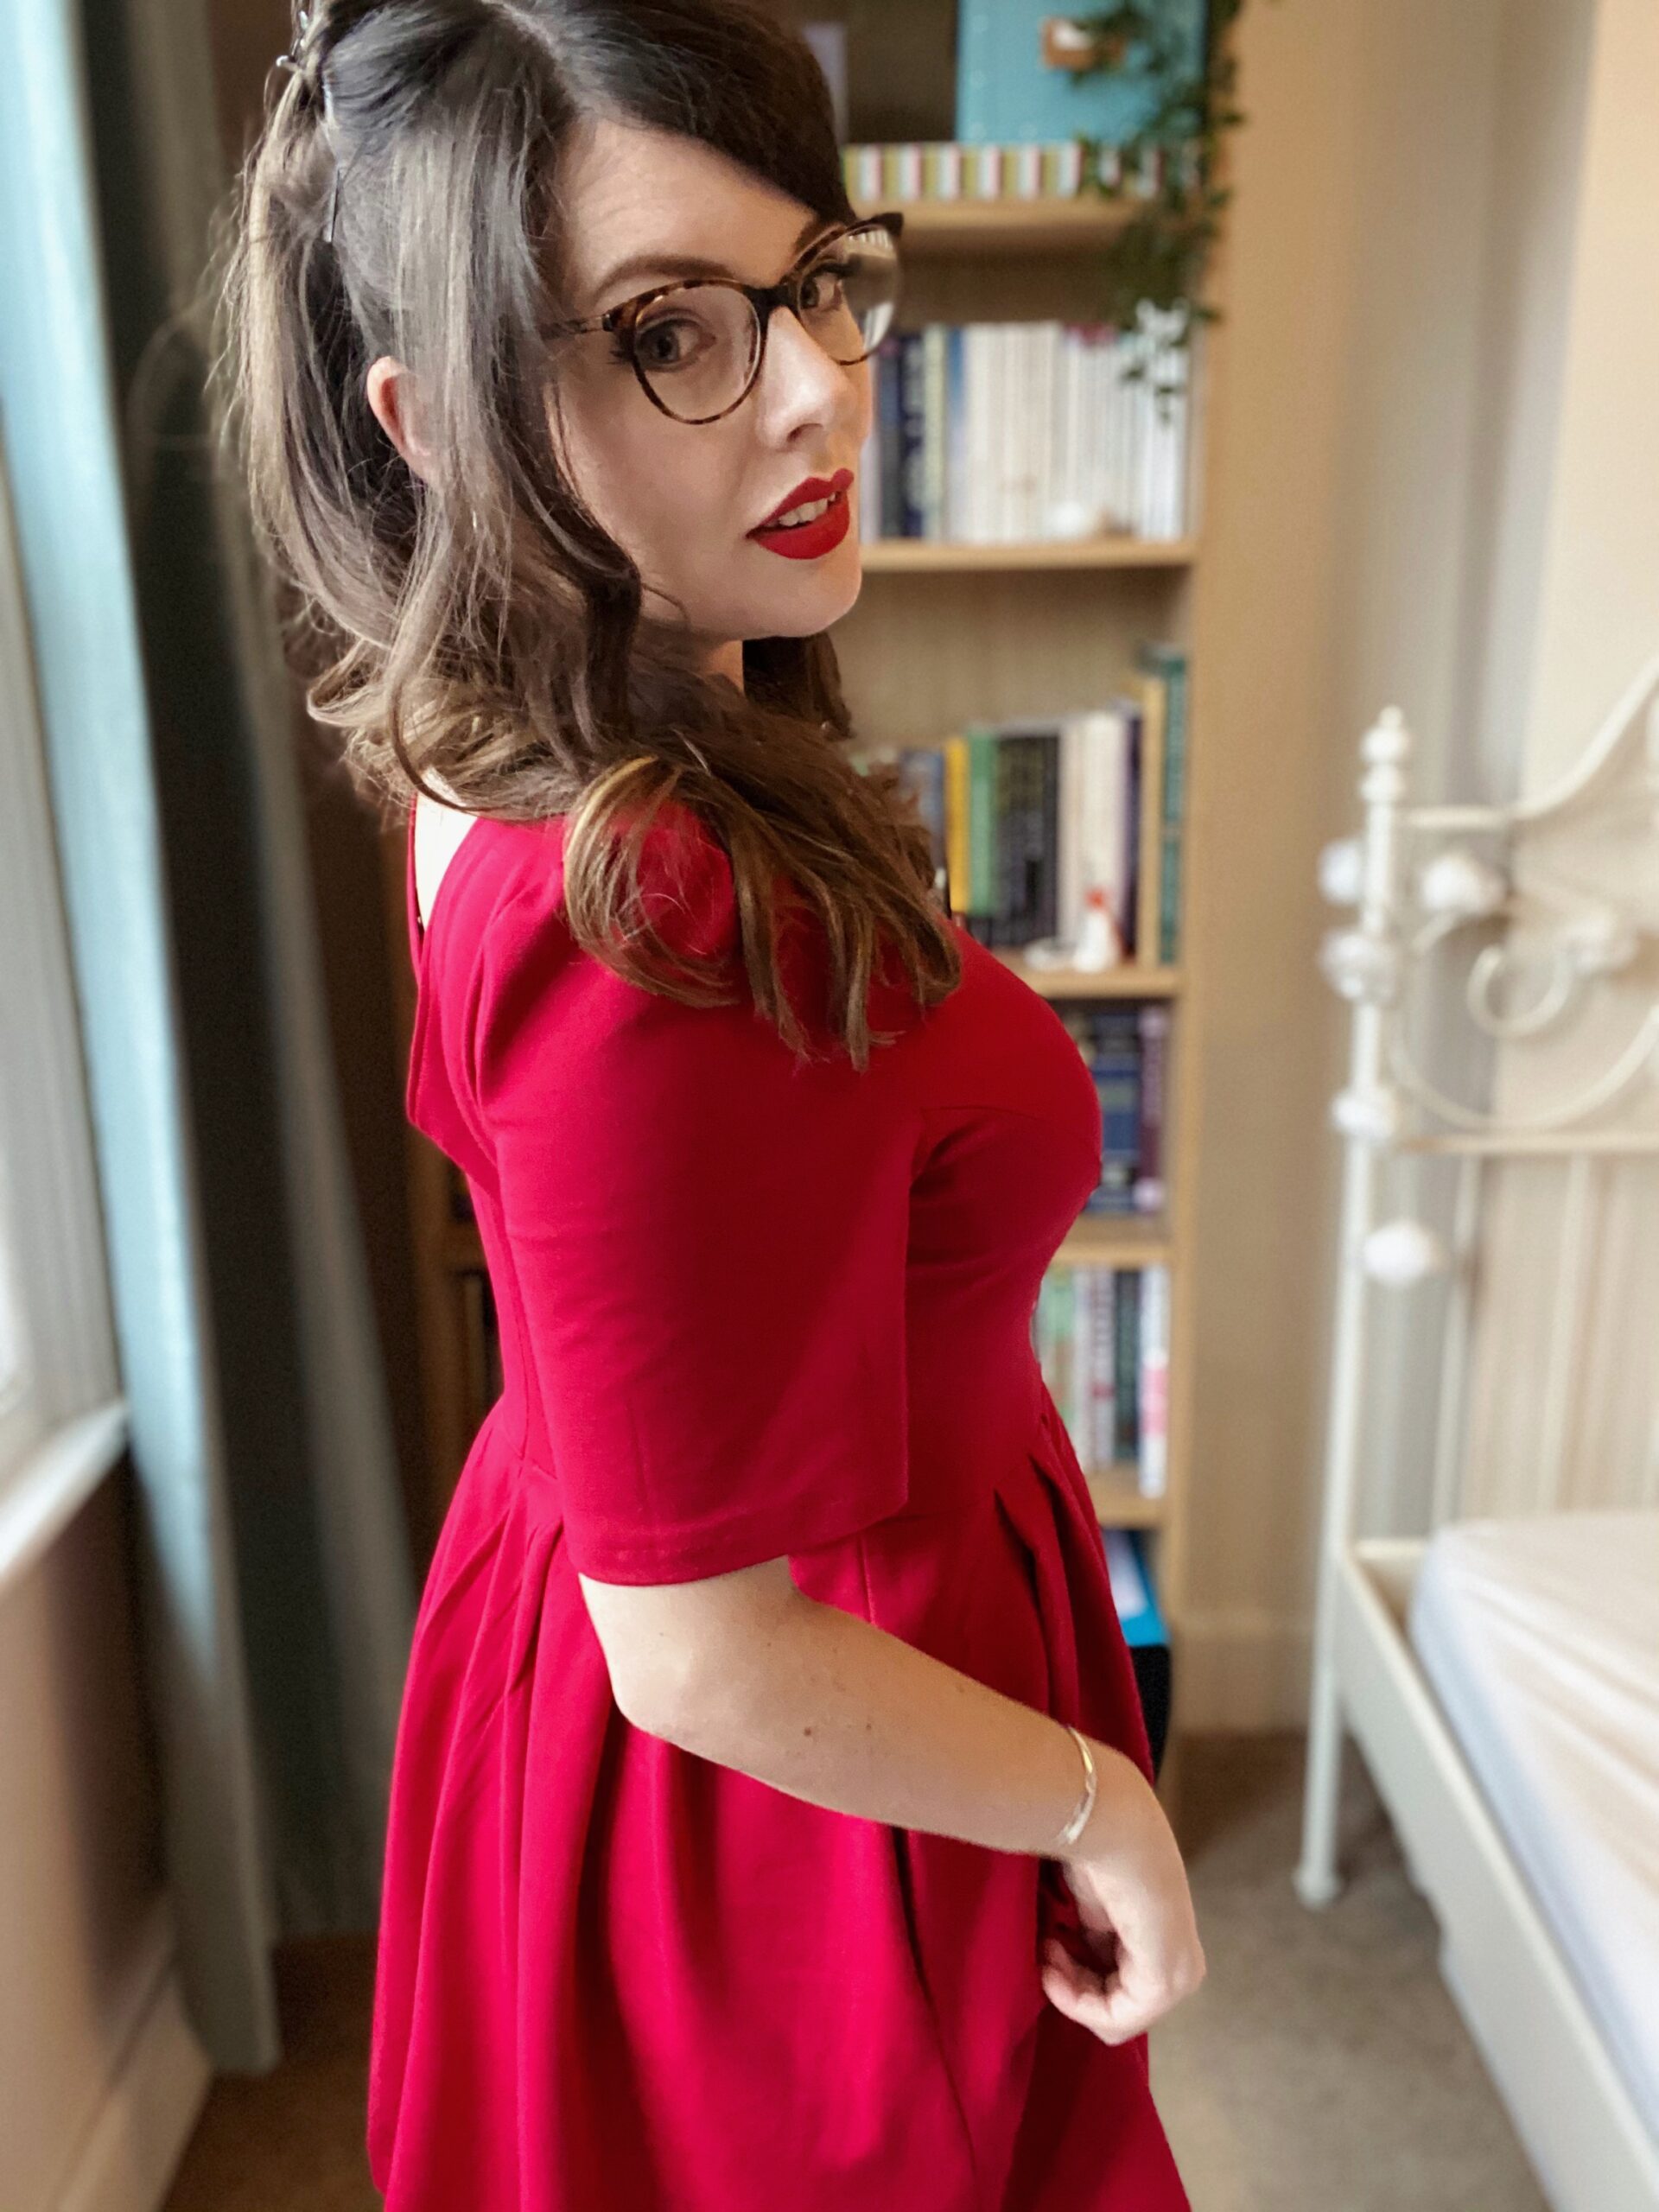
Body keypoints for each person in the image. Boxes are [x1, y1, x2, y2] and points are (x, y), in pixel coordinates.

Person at [210, 3, 1204, 2205]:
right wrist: (1099, 1796)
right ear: (434, 423)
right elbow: (701, 1650)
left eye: (818, 281)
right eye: (672, 331)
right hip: (791, 1748)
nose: (821, 385)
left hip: (744, 1637)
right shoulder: (639, 893)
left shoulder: (519, 729)